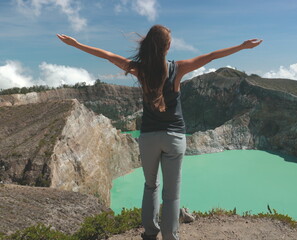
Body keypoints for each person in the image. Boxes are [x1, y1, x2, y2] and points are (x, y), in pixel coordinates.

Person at [57, 24, 262, 240]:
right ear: (168, 46)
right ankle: (170, 236)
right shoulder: (178, 68)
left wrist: (76, 44)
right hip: (174, 137)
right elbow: (211, 56)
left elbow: (108, 56)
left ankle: (150, 232)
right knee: (171, 194)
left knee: (150, 186)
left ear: (149, 45)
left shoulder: (140, 69)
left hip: (148, 138)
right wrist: (241, 46)